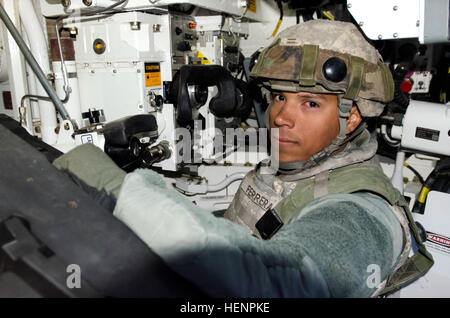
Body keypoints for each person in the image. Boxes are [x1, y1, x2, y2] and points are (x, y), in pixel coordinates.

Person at [53, 20, 433, 298]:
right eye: (279, 97)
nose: (282, 115)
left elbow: (279, 283)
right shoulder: (294, 167)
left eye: (311, 103)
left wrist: (114, 186)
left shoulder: (362, 213)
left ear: (350, 117)